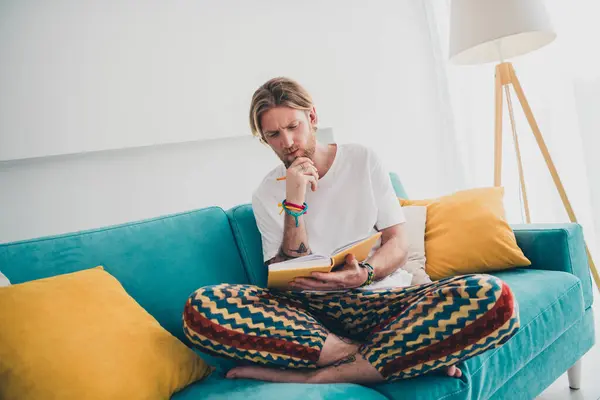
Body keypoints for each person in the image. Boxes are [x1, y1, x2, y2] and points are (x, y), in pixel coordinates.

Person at [183, 77, 520, 384]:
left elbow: (397, 241)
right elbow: (284, 273)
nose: (287, 142)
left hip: (386, 302)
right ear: (265, 139)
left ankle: (316, 376)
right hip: (313, 318)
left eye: (293, 126)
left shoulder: (361, 159)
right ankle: (391, 354)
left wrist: (366, 274)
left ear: (312, 117)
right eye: (274, 135)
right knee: (202, 309)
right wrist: (295, 202)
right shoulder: (267, 192)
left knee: (495, 298)